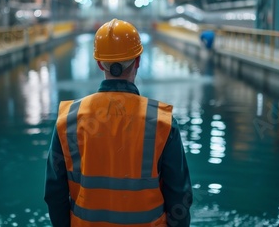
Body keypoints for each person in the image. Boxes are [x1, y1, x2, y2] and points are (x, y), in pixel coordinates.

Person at [44, 19, 193, 226]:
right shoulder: (163, 122)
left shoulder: (68, 119)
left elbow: (54, 194)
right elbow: (180, 195)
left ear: (98, 63)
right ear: (138, 61)